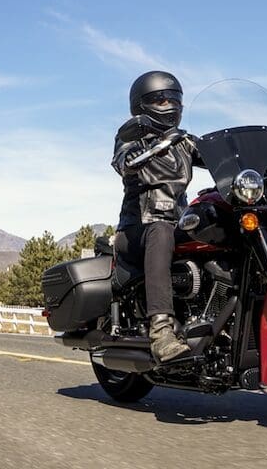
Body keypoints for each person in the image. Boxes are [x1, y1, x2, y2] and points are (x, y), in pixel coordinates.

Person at [111, 70, 203, 362]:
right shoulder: (131, 137)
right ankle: (161, 331)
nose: (169, 104)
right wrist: (136, 155)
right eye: (160, 99)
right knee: (161, 229)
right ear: (142, 104)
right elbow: (123, 162)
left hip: (176, 225)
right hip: (138, 229)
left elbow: (221, 155)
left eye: (173, 99)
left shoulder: (185, 142)